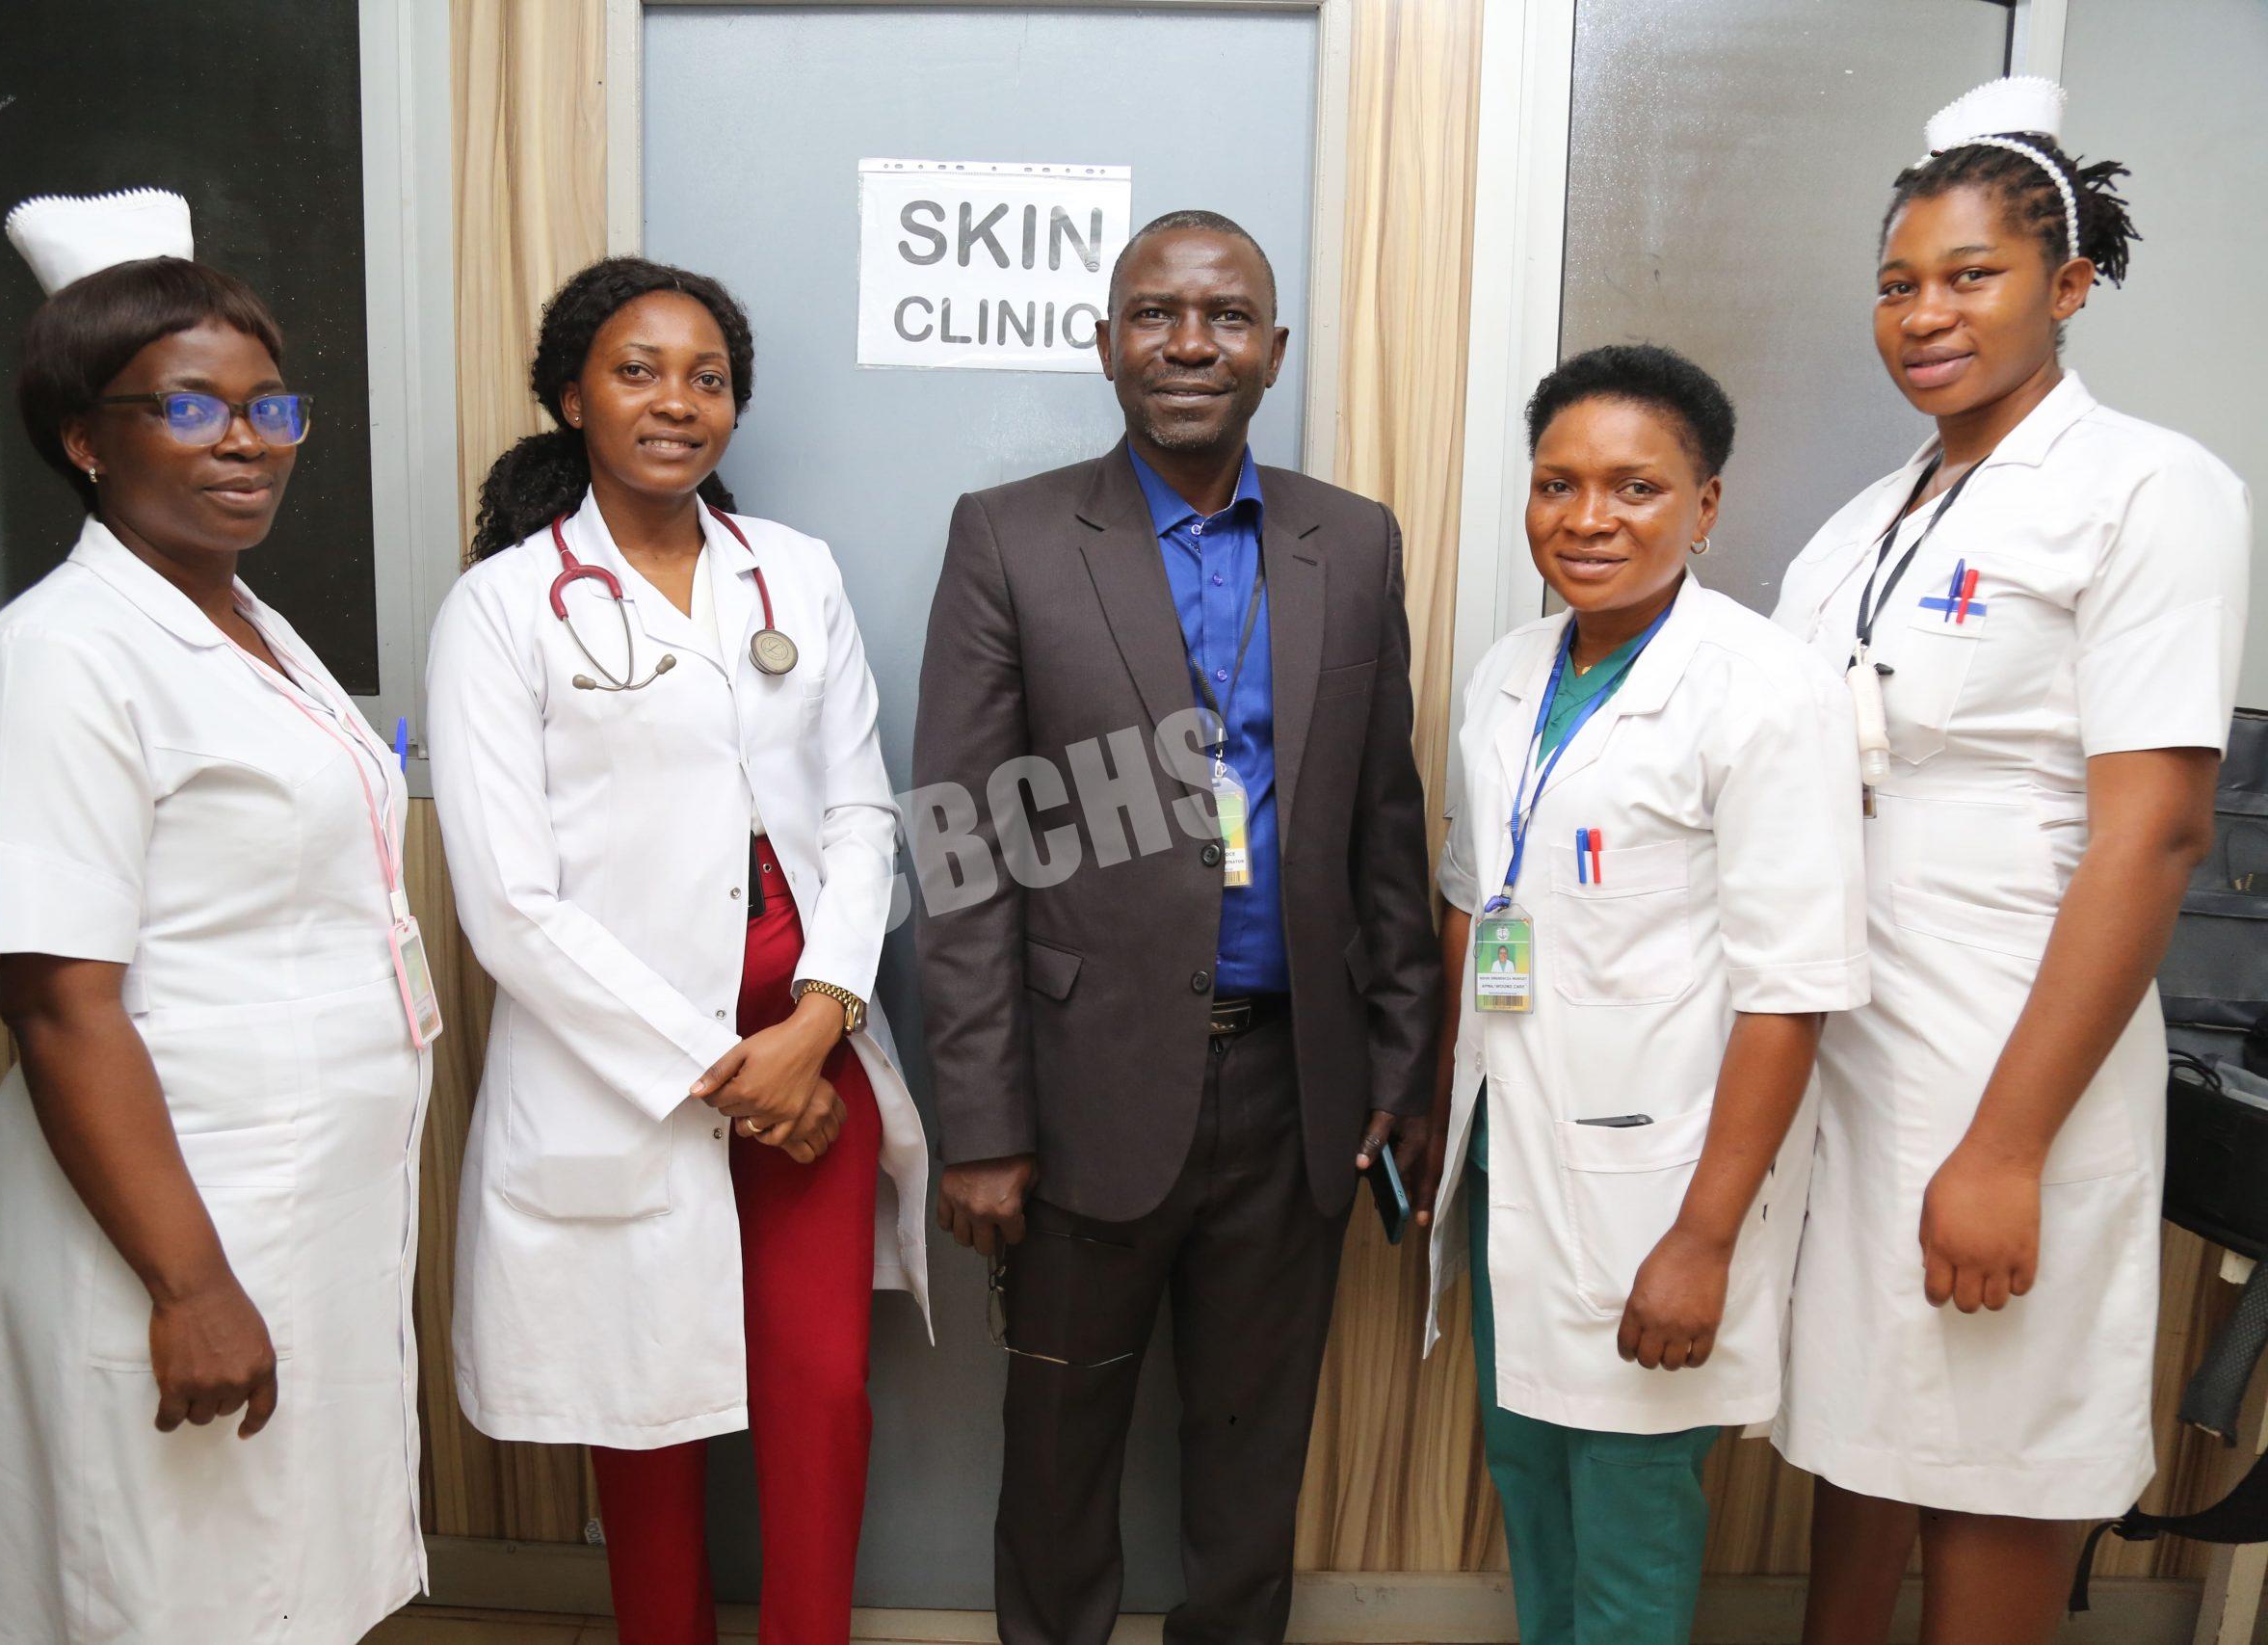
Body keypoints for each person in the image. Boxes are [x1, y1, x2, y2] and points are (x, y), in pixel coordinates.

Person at [913, 208, 1441, 1644]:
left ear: (1273, 349)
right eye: (1155, 313)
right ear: (1105, 343)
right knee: (1061, 1452)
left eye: (1223, 316)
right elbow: (963, 850)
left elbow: (1385, 822)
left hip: (1298, 1087)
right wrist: (980, 1120)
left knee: (1254, 1453)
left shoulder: (1353, 540)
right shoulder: (1011, 538)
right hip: (1085, 1086)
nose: (1189, 342)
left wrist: (1405, 1071)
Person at [1768, 78, 2251, 1645]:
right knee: (1858, 1439)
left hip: (2012, 1057)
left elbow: (2159, 829)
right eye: (1899, 283)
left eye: (1970, 274)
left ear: (2071, 284)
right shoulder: (1860, 524)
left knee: (1995, 1466)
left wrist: (2004, 1148)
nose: (1923, 313)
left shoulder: (2149, 490)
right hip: (1859, 1051)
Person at [0, 189, 435, 1643]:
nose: (243, 441)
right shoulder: (61, 659)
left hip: (291, 1199)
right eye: (189, 408)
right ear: (85, 441)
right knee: (175, 1587)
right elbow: (56, 998)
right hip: (184, 1217)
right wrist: (193, 1282)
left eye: (266, 408)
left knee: (276, 1574)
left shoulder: (246, 619)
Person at [425, 255, 931, 1644]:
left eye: (707, 378)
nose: (677, 401)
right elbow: (510, 903)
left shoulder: (797, 573)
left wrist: (820, 1018)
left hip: (812, 1066)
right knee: (641, 1417)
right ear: (572, 395)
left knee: (820, 1401)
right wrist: (724, 1063)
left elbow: (859, 809)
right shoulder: (505, 607)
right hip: (631, 1073)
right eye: (639, 371)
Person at [1412, 345, 1868, 1644]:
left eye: (1635, 487)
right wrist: (1442, 1108)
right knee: (1533, 1486)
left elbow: (1794, 992)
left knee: (1630, 1518)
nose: (1590, 518)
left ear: (1706, 507)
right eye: (1559, 484)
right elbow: (1470, 902)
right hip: (1511, 1163)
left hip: (1662, 1183)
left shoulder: (1764, 691)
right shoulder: (1509, 673)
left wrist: (1703, 1240)